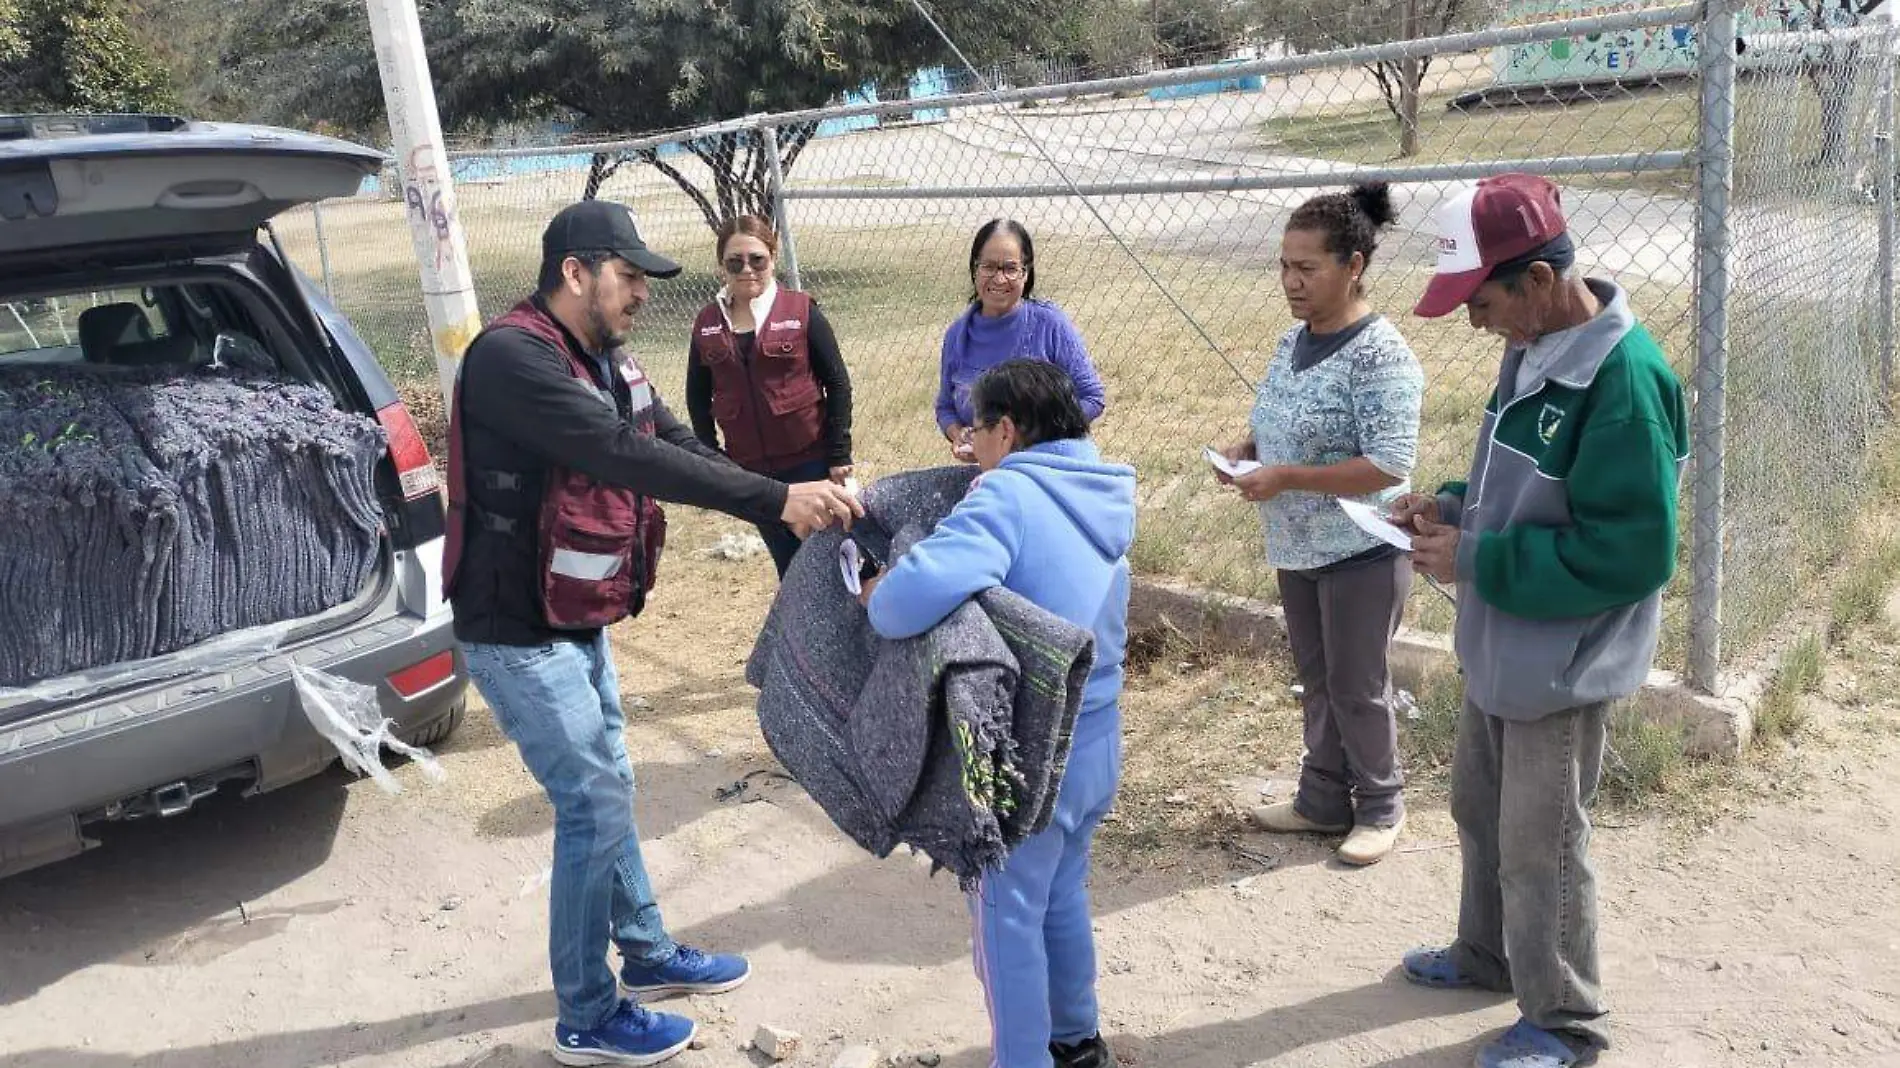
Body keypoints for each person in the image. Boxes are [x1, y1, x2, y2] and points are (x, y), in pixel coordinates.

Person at [444, 199, 862, 1067]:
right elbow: (622, 455)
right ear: (575, 273)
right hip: (512, 628)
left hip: (570, 614)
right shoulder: (511, 359)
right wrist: (774, 499)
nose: (641, 294)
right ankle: (586, 1015)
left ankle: (645, 952)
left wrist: (786, 498)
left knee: (611, 789)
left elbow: (668, 435)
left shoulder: (604, 354)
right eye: (628, 277)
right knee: (591, 802)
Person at [1393, 174, 1688, 1068]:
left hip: (1564, 661)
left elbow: (1632, 554)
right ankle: (1488, 954)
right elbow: (1514, 491)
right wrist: (1450, 508)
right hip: (1506, 640)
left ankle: (1565, 1019)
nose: (1476, 323)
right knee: (1478, 809)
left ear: (1537, 279)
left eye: (1481, 303)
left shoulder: (1624, 382)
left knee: (1542, 843)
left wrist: (1480, 559)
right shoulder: (1532, 348)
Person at [862, 359, 1135, 1068]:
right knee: (1062, 892)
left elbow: (902, 605)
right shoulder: (1099, 486)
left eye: (975, 430)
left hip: (1030, 749)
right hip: (1098, 735)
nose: (968, 445)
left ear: (1007, 430)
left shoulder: (1007, 497)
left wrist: (875, 588)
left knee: (1005, 914)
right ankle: (1076, 1040)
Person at [1212, 182, 1424, 867]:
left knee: (1359, 685)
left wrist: (1289, 476)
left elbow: (1388, 465)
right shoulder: (1291, 342)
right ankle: (1323, 799)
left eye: (1308, 268)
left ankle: (1383, 805)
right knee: (1317, 679)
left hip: (1361, 549)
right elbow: (1281, 417)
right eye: (1284, 266)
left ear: (1354, 265)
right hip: (1298, 546)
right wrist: (1249, 452)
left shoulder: (1381, 353)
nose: (1291, 282)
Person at [686, 214, 855, 578]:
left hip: (809, 462)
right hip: (753, 473)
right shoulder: (706, 323)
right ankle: (802, 632)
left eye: (756, 259)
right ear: (722, 268)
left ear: (772, 258)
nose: (747, 269)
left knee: (829, 558)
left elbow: (838, 383)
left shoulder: (800, 310)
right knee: (789, 564)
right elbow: (697, 398)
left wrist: (839, 454)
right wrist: (711, 459)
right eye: (735, 262)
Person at [936, 219, 1107, 463]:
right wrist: (959, 435)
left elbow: (1092, 397)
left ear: (1026, 273)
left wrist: (1033, 439)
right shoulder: (957, 335)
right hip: (989, 474)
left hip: (1052, 468)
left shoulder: (1050, 324)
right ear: (975, 269)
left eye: (1010, 268)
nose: (999, 279)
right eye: (989, 267)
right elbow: (945, 407)